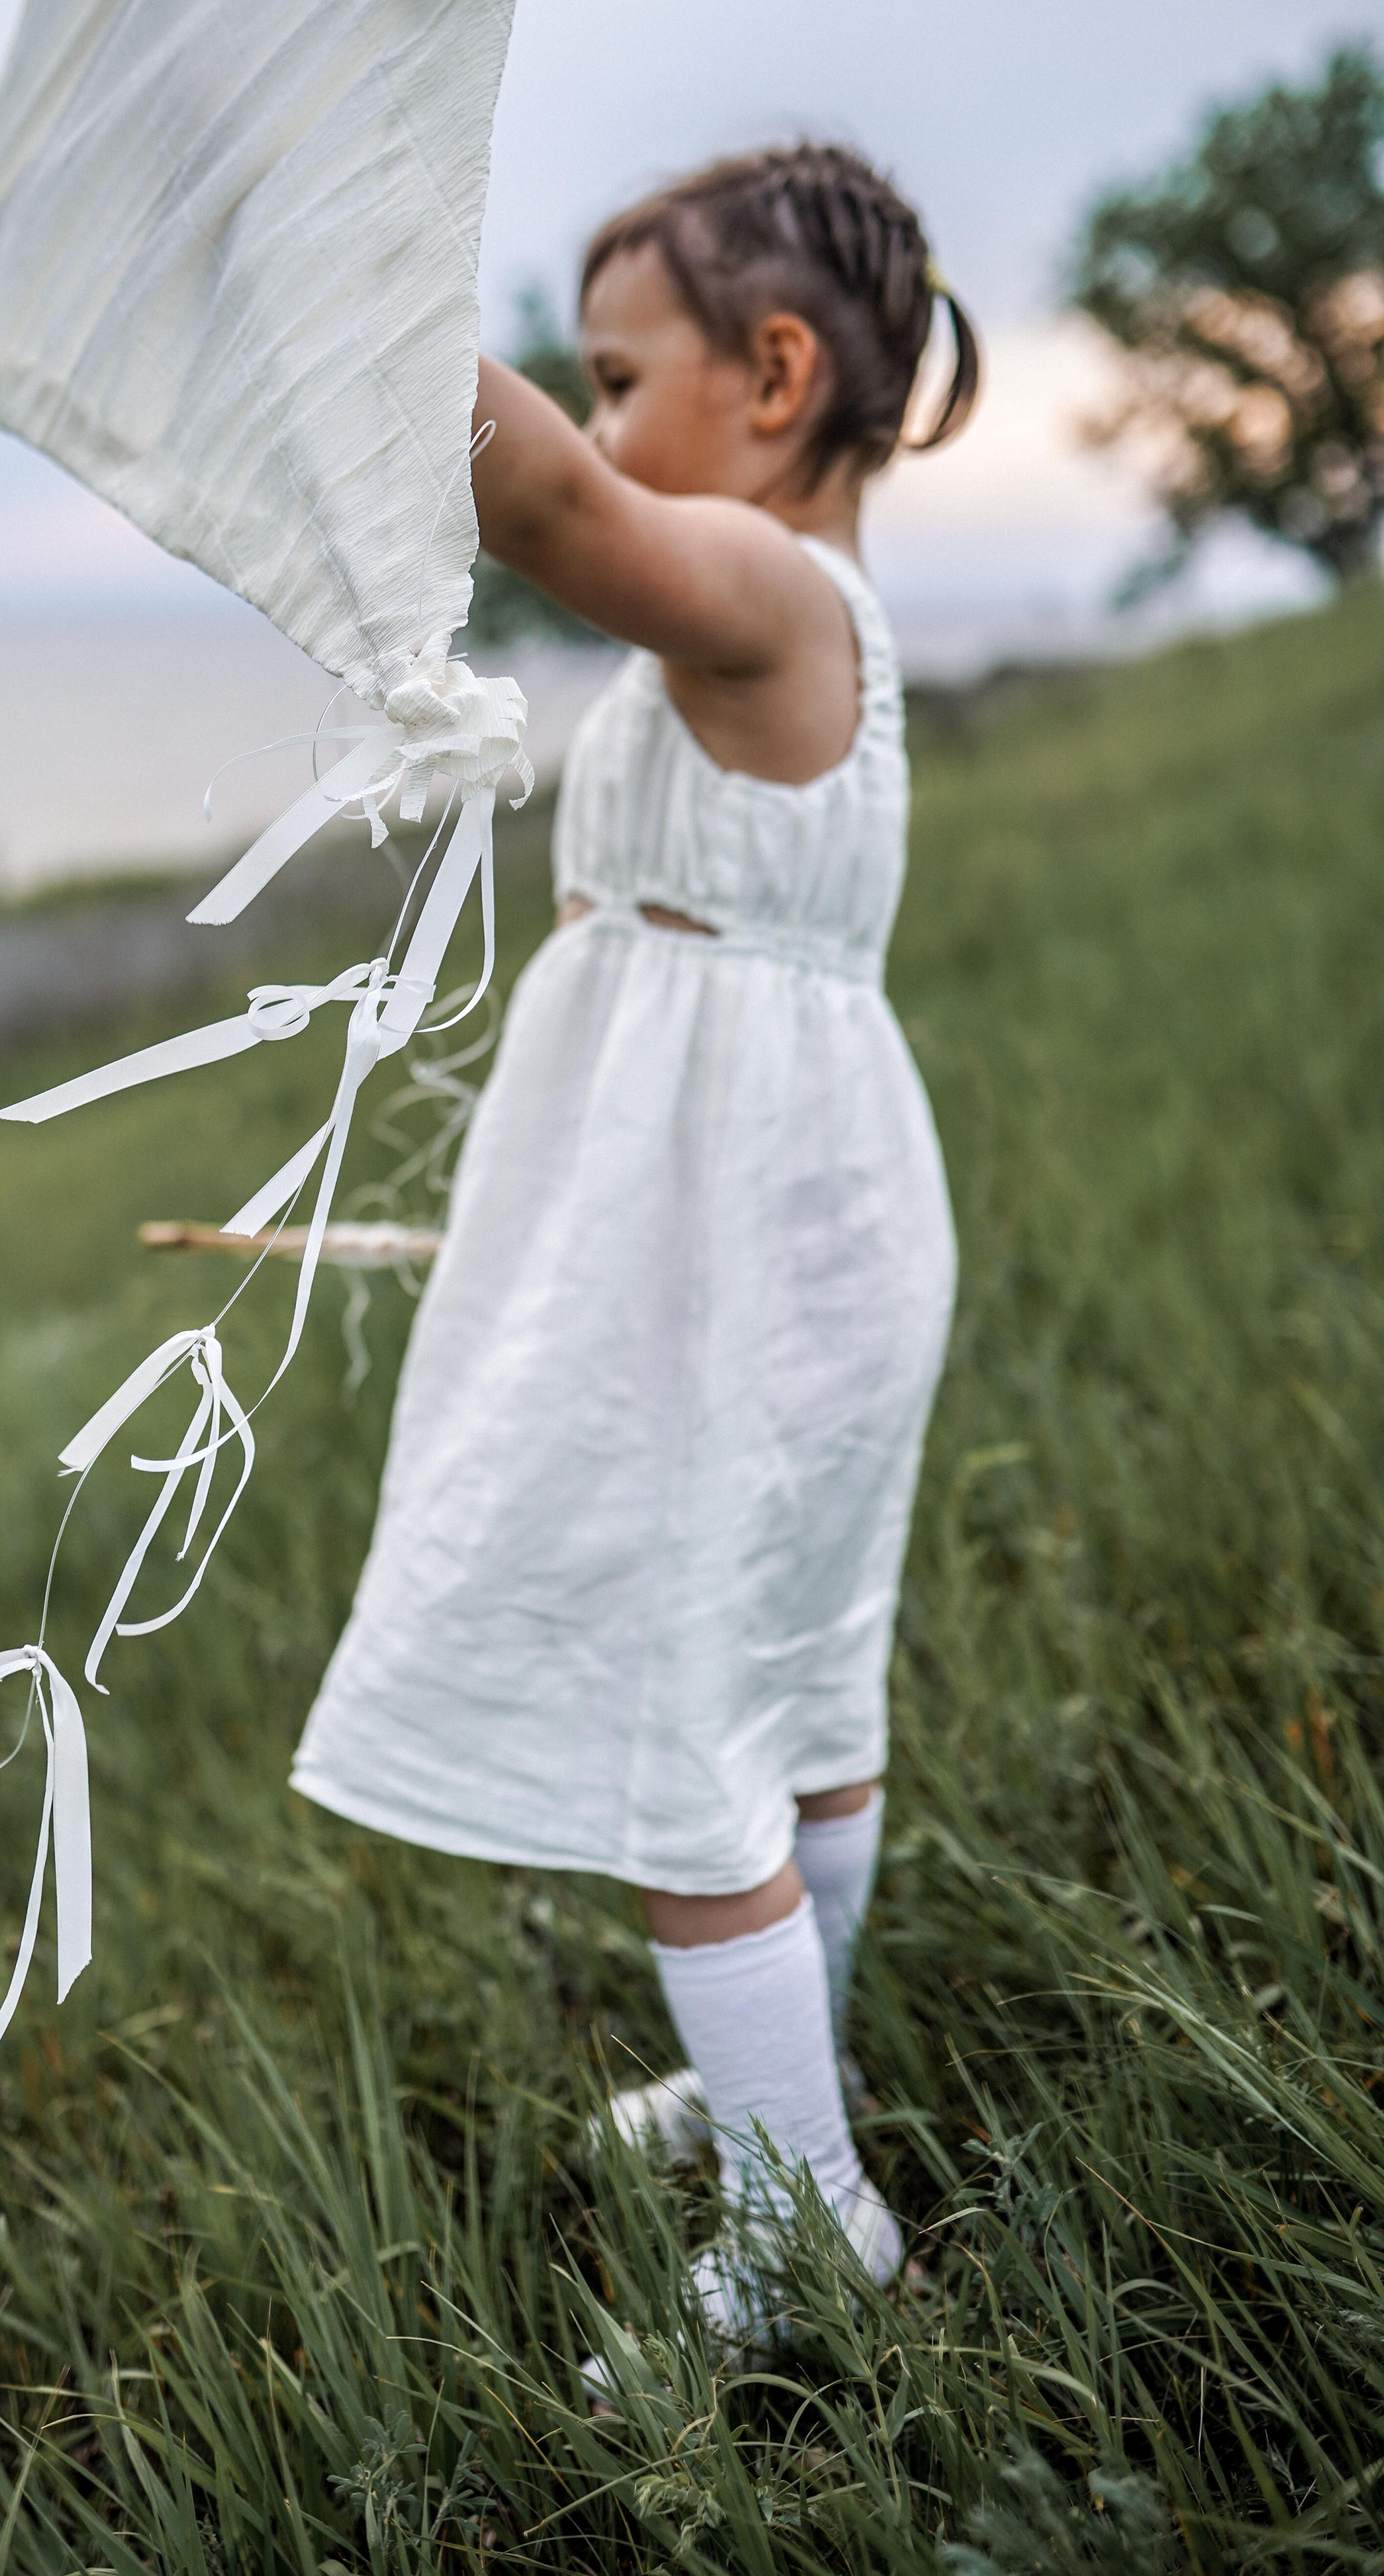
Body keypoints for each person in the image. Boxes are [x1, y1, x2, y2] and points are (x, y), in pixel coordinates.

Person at [291, 140, 977, 2346]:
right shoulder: (782, 619)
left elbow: (562, 516)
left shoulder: (768, 602)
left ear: (774, 375)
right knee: (791, 1682)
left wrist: (359, 306)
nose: (590, 420)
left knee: (697, 1719)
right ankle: (783, 2080)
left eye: (615, 373)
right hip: (794, 1226)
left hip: (745, 1250)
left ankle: (807, 2224)